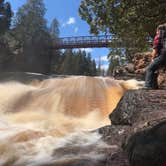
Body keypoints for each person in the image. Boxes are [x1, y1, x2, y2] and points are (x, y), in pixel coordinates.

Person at [145, 24, 166, 89]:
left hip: (164, 55)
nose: (156, 32)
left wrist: (152, 58)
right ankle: (155, 87)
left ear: (158, 30)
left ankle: (148, 87)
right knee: (155, 69)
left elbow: (155, 49)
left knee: (149, 68)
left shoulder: (158, 36)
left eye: (156, 31)